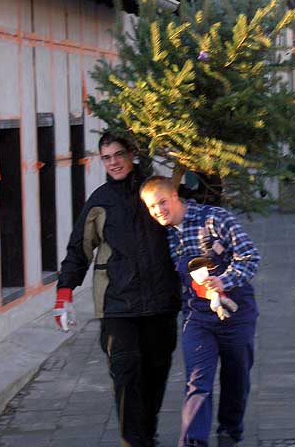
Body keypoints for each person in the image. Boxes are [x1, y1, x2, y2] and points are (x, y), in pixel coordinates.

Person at [54, 133, 181, 447]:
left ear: (132, 154)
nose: (113, 162)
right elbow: (79, 249)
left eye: (118, 154)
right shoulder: (100, 201)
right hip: (117, 306)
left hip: (161, 302)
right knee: (125, 375)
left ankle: (146, 436)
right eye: (106, 157)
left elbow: (187, 222)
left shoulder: (157, 190)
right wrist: (64, 293)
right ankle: (133, 441)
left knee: (155, 375)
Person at [139, 176, 260, 447]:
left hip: (237, 314)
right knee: (198, 381)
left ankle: (230, 431)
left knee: (236, 377)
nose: (158, 210)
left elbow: (250, 256)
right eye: (152, 207)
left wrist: (224, 281)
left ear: (175, 197)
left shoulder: (215, 219)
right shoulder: (168, 233)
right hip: (198, 317)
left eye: (162, 202)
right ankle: (194, 442)